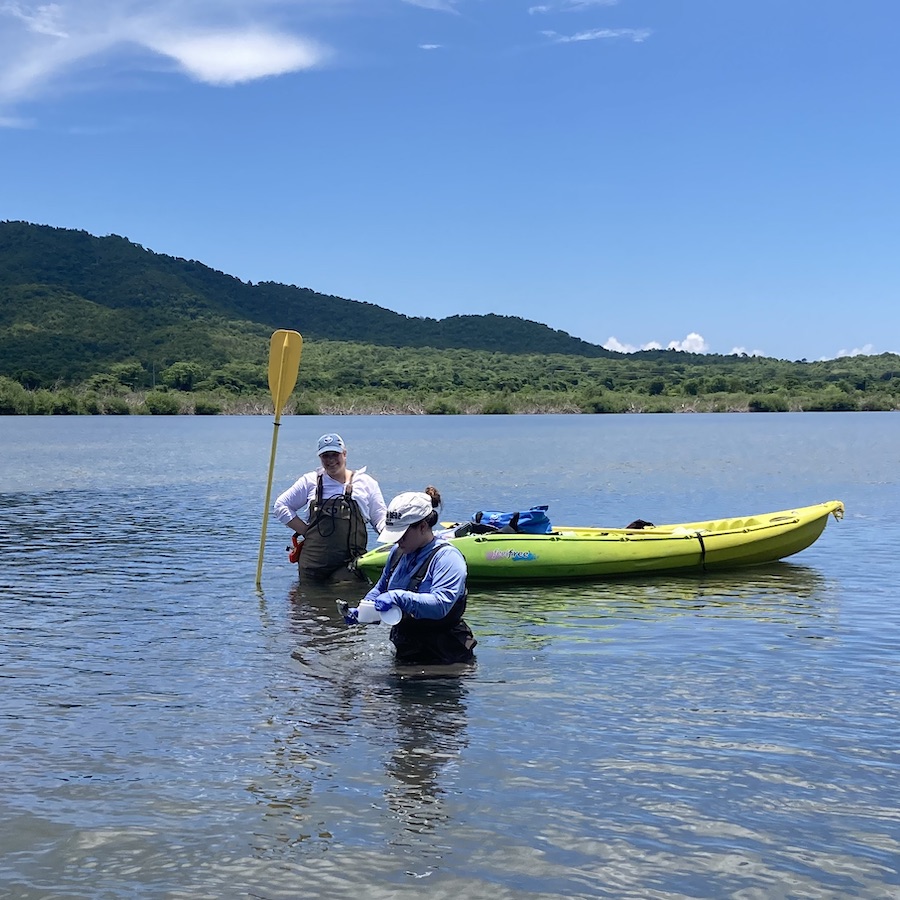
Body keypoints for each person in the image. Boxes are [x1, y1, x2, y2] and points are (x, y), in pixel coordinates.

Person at [351, 486, 477, 665]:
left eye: (402, 534)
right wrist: (363, 611)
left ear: (423, 526)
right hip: (406, 649)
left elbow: (441, 604)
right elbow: (381, 588)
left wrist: (398, 597)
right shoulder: (398, 552)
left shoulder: (447, 558)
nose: (397, 540)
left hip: (446, 657)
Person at [274, 433, 387, 583]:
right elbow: (281, 506)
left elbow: (380, 519)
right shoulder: (310, 481)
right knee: (310, 603)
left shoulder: (366, 483)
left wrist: (396, 541)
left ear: (344, 454)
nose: (331, 460)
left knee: (347, 595)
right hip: (313, 566)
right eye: (325, 456)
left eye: (335, 454)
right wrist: (307, 531)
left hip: (351, 564)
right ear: (320, 458)